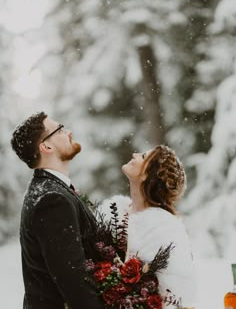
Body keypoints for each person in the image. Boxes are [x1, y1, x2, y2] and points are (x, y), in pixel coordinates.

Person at [11, 112, 104, 309]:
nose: (68, 131)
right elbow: (74, 282)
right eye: (60, 129)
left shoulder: (49, 189)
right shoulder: (52, 200)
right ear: (46, 146)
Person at [99, 145, 196, 308]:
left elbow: (176, 295)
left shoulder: (165, 227)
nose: (134, 154)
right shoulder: (111, 214)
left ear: (149, 175)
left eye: (143, 156)